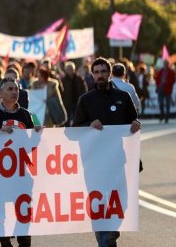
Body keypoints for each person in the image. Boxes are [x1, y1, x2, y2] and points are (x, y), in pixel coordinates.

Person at [72, 57, 141, 247]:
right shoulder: (85, 100)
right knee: (99, 206)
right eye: (97, 72)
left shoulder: (123, 97)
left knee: (121, 203)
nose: (100, 75)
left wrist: (137, 124)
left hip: (118, 161)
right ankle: (106, 239)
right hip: (94, 163)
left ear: (110, 74)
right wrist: (89, 124)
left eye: (104, 71)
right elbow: (74, 130)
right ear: (92, 75)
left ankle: (109, 235)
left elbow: (133, 123)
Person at [0, 77, 40, 247]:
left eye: (16, 89)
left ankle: (24, 243)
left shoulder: (27, 115)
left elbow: (32, 147)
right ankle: (5, 243)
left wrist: (37, 133)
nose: (14, 92)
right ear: (0, 92)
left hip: (21, 173)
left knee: (23, 211)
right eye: (10, 89)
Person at [60, 61, 87, 126]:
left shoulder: (79, 78)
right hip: (67, 102)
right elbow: (60, 92)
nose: (70, 70)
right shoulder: (63, 80)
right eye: (68, 69)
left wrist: (82, 98)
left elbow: (84, 89)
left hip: (77, 101)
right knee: (67, 119)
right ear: (65, 70)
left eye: (71, 69)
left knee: (77, 118)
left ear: (74, 69)